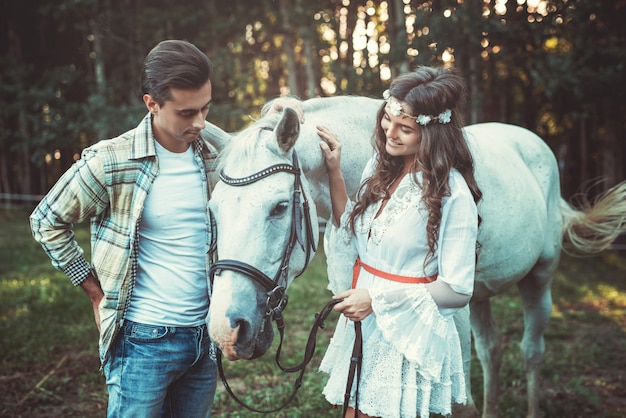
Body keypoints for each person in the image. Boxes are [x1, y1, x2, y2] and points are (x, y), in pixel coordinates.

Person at [30, 39, 302, 418]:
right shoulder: (112, 161)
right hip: (142, 341)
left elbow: (261, 151)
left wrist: (279, 113)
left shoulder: (214, 154)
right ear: (152, 104)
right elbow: (47, 220)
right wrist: (94, 292)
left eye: (206, 108)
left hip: (202, 338)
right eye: (187, 112)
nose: (200, 123)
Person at [316, 66, 482, 418]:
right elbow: (354, 230)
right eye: (388, 119)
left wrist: (375, 299)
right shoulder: (382, 165)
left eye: (405, 128)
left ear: (433, 132)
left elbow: (457, 290)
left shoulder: (452, 194)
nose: (390, 133)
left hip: (408, 332)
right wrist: (334, 170)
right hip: (367, 322)